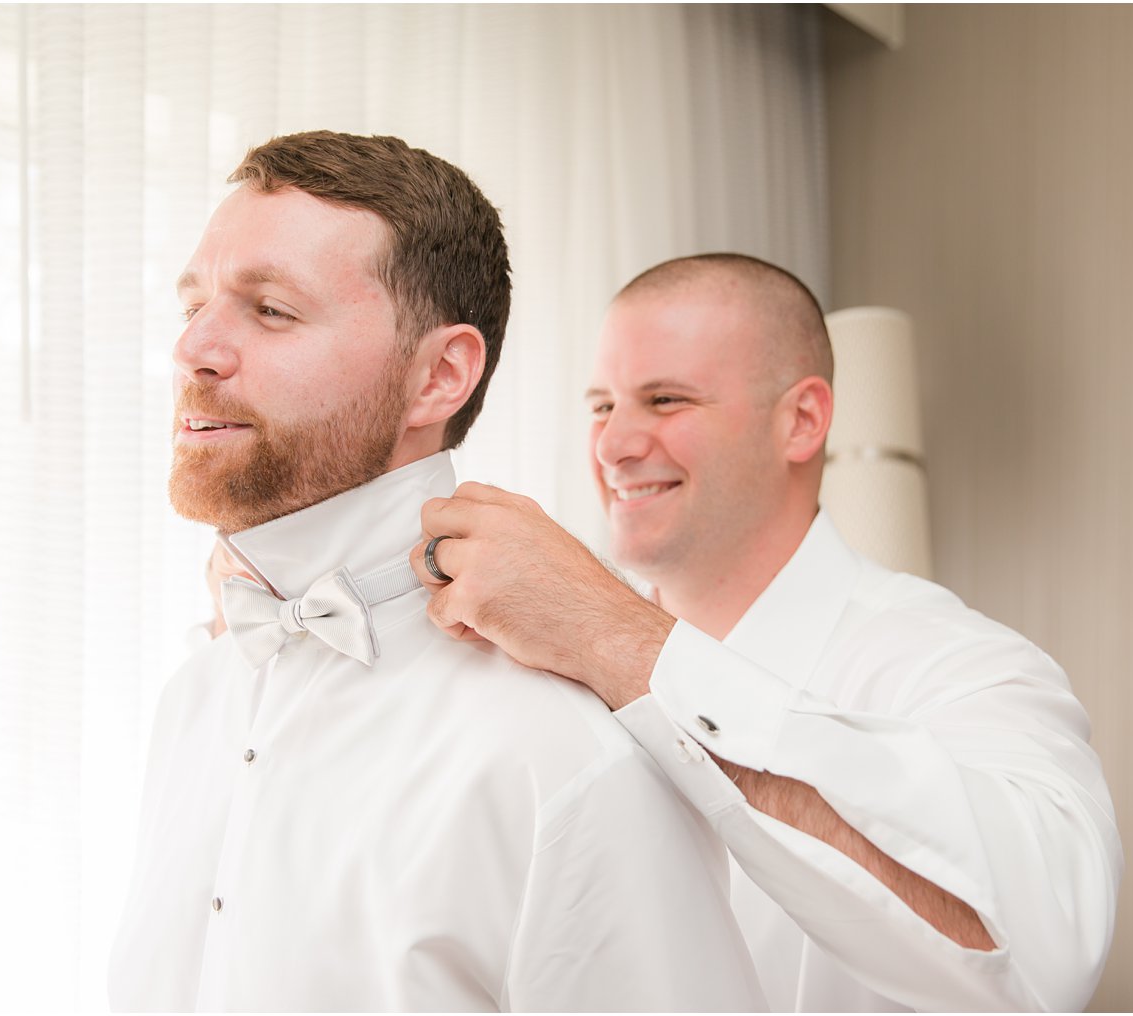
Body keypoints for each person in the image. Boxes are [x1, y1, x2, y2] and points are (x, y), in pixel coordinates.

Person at [108, 134, 763, 1012]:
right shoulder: (193, 700)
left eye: (270, 310)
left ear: (439, 376)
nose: (195, 350)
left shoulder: (566, 755)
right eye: (193, 305)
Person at [408, 253, 1123, 1012]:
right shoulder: (536, 679)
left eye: (665, 399)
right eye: (601, 406)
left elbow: (1044, 962)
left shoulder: (966, 671)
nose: (614, 445)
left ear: (802, 421)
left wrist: (613, 637)